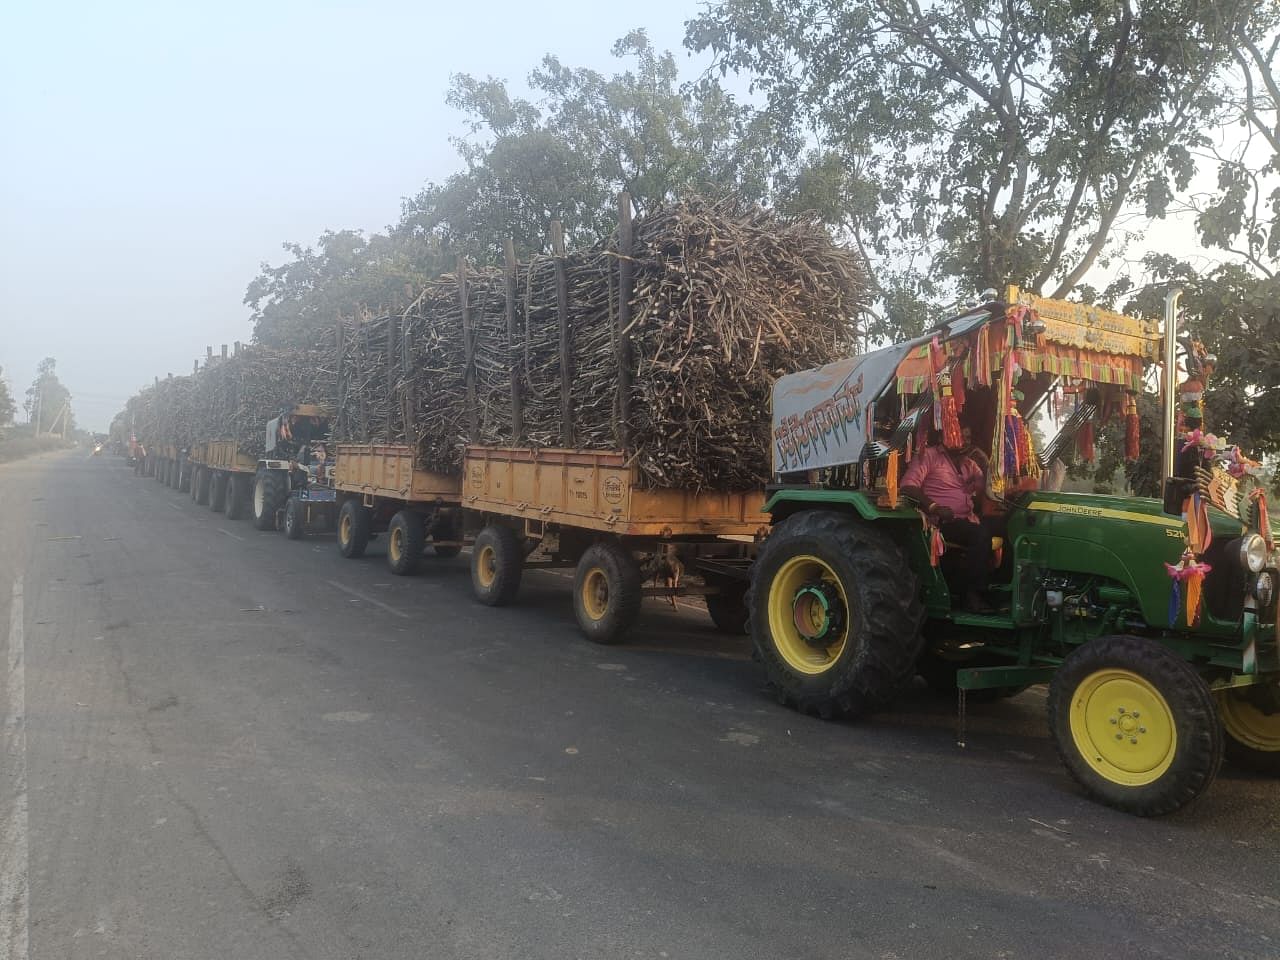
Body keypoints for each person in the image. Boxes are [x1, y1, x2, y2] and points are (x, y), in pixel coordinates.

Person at [900, 428, 993, 612]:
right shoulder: (928, 456)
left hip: (967, 520)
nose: (965, 441)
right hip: (940, 522)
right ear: (944, 436)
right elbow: (908, 486)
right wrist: (935, 507)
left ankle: (999, 591)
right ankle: (972, 595)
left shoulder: (969, 464)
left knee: (1004, 527)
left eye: (968, 437)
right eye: (961, 435)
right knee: (980, 535)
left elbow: (986, 488)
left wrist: (987, 464)